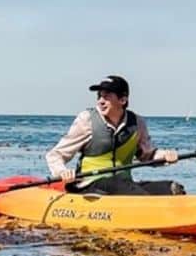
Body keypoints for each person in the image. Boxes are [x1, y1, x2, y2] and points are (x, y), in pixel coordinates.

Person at [46, 75, 185, 195]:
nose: (101, 101)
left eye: (106, 96)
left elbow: (148, 156)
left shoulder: (137, 123)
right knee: (118, 185)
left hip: (124, 185)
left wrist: (165, 156)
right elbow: (56, 155)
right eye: (99, 96)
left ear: (122, 100)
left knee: (172, 188)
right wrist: (62, 171)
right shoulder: (86, 120)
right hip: (89, 185)